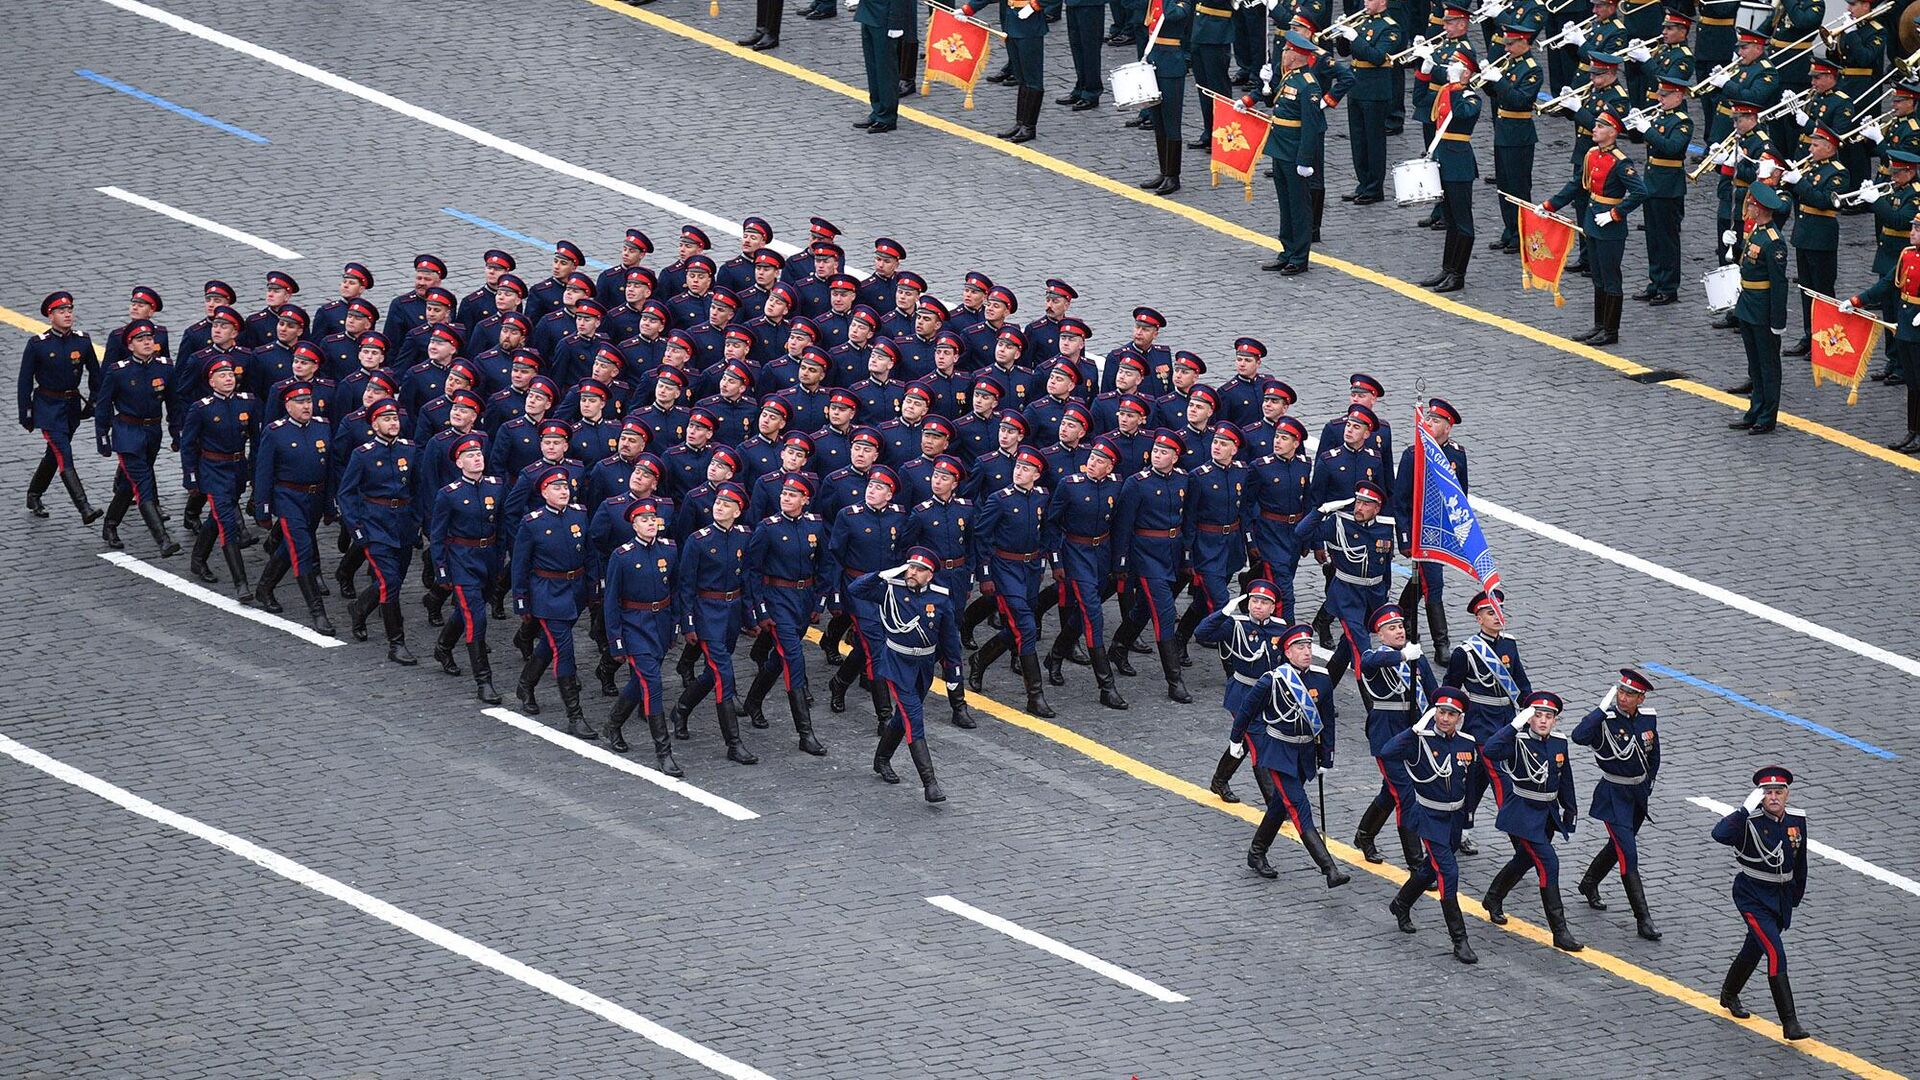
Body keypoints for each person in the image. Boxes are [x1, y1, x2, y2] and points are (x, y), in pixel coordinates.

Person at [1231, 622, 1350, 888]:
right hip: (1277, 753)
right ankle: (1329, 869)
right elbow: (1246, 712)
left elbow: (1327, 720)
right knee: (1299, 807)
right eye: (1300, 647)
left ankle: (1256, 851)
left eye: (1308, 646)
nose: (1306, 651)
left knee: (1279, 805)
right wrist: (1236, 740)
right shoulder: (1272, 680)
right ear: (1287, 652)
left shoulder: (1321, 678)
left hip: (1304, 753)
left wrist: (1326, 757)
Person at [846, 548, 967, 802]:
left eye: (920, 570)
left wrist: (954, 675)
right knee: (914, 717)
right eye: (910, 567)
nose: (912, 572)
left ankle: (881, 759)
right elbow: (856, 590)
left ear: (930, 575)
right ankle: (930, 783)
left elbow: (949, 641)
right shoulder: (892, 589)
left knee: (904, 715)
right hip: (896, 663)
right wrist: (881, 575)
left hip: (923, 664)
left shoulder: (941, 599)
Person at [1478, 690, 1584, 952]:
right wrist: (1514, 725)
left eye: (1549, 716)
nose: (1544, 721)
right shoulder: (1517, 739)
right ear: (1528, 718)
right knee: (1549, 864)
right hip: (1522, 814)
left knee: (1524, 859)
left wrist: (1570, 810)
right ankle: (1560, 931)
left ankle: (1493, 897)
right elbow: (1491, 751)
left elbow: (1565, 778)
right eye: (1538, 715)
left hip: (1546, 813)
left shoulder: (1559, 742)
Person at [1382, 685, 1480, 963]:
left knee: (1430, 868)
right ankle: (1460, 940)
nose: (1445, 718)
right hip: (1429, 817)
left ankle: (1401, 903)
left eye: (1451, 714)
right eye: (1441, 712)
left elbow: (1469, 784)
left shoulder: (1467, 743)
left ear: (1459, 717)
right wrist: (1414, 730)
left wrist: (1468, 817)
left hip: (1453, 818)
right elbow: (1388, 752)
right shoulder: (1420, 740)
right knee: (1448, 872)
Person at [1713, 766, 1811, 1040]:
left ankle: (1729, 993)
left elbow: (1800, 863)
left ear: (1787, 795)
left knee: (1754, 947)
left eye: (1779, 792)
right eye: (1768, 793)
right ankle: (1790, 1023)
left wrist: (1795, 897)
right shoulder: (1748, 821)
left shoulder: (1796, 820)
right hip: (1752, 896)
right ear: (1759, 796)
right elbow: (1719, 835)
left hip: (1780, 898)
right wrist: (1743, 810)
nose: (1774, 798)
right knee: (1775, 952)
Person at [742, 474, 832, 755]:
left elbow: (825, 565)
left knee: (779, 659)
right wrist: (760, 609)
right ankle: (806, 733)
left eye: (793, 495)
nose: (785, 498)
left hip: (803, 600)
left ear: (805, 500)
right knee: (794, 659)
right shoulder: (768, 528)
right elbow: (752, 571)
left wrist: (819, 602)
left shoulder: (815, 526)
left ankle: (753, 701)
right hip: (777, 598)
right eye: (783, 494)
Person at [668, 482, 758, 761]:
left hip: (731, 613)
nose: (718, 507)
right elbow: (686, 586)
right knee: (724, 675)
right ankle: (733, 743)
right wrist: (689, 623)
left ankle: (681, 708)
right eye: (717, 502)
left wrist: (750, 615)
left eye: (726, 504)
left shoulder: (745, 536)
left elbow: (747, 579)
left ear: (738, 511)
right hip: (707, 611)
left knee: (712, 672)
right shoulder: (699, 540)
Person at [1572, 666, 1662, 941]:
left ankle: (1589, 882)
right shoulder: (1605, 720)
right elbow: (1578, 736)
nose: (1623, 698)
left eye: (1631, 694)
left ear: (1641, 699)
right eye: (1621, 691)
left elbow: (1653, 755)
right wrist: (1600, 710)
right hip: (1613, 795)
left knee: (1619, 847)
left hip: (1636, 796)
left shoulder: (1648, 719)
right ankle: (1643, 918)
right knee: (1628, 855)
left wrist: (1647, 786)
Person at [1039, 438, 1128, 709]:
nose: (1092, 463)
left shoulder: (1116, 485)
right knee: (1093, 615)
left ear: (1110, 466)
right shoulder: (1070, 485)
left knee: (1084, 613)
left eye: (1100, 461)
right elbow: (1051, 524)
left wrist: (1118, 562)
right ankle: (1106, 685)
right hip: (1075, 552)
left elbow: (1118, 525)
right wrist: (1056, 561)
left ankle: (1055, 655)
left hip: (1101, 554)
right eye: (1091, 458)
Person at [1541, 110, 1644, 344]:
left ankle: (1611, 331)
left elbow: (1640, 192)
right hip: (1592, 221)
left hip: (1609, 227)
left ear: (1612, 132)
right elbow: (1577, 184)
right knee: (1597, 277)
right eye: (1595, 125)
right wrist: (1550, 205)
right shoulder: (1591, 155)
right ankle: (1599, 325)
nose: (1594, 129)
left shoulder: (1621, 162)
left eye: (1600, 126)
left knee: (1610, 278)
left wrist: (1615, 213)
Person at [968, 448, 1056, 717]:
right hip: (1005, 569)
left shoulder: (1042, 497)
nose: (1019, 472)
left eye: (1026, 469)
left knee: (1017, 628)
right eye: (1017, 467)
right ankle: (1035, 695)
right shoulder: (1000, 499)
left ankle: (980, 659)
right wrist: (985, 574)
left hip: (1029, 569)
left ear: (1037, 475)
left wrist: (1042, 561)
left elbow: (1046, 532)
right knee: (1027, 628)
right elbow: (981, 537)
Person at [511, 469, 597, 739]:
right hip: (548, 593)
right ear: (544, 492)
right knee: (564, 651)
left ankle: (526, 684)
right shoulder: (532, 522)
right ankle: (575, 715)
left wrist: (593, 586)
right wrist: (521, 599)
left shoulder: (579, 514)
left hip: (575, 590)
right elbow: (520, 564)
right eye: (556, 488)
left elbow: (590, 552)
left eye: (566, 487)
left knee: (551, 644)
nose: (563, 491)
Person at [1443, 587, 1528, 854]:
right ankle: (1521, 843)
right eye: (1490, 612)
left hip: (1506, 721)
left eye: (1499, 611)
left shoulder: (1509, 644)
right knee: (1502, 780)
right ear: (1478, 618)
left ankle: (1461, 829)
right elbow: (1451, 690)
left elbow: (1521, 684)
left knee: (1475, 780)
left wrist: (1534, 709)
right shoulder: (1465, 653)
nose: (1496, 617)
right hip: (1480, 724)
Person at [336, 399, 420, 664]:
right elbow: (346, 493)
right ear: (374, 424)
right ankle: (397, 643)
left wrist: (417, 521)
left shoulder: (410, 449)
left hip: (404, 523)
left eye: (395, 419)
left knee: (394, 579)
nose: (393, 423)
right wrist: (357, 529)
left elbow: (418, 489)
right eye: (386, 419)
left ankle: (359, 609)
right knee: (390, 581)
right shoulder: (364, 454)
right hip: (376, 525)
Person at [1110, 432, 1193, 703]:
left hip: (1172, 552)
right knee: (1164, 613)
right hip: (1146, 554)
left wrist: (1187, 554)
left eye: (1164, 452)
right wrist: (1121, 561)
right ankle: (1174, 679)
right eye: (1156, 450)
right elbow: (1123, 525)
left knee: (1145, 607)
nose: (1158, 455)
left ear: (1175, 457)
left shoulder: (1182, 479)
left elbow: (1187, 518)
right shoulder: (1137, 483)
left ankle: (1120, 646)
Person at [601, 500, 682, 775]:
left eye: (653, 520)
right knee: (653, 683)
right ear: (633, 525)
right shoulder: (622, 556)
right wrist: (616, 639)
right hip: (633, 625)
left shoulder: (669, 550)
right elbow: (611, 601)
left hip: (659, 624)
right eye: (643, 520)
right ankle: (664, 751)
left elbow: (676, 589)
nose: (650, 524)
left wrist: (674, 625)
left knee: (641, 681)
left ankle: (613, 723)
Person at [1351, 605, 1436, 865]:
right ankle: (1415, 860)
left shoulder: (1416, 657)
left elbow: (1432, 692)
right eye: (1392, 628)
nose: (1399, 631)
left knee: (1392, 791)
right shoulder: (1378, 659)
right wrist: (1402, 657)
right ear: (1380, 635)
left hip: (1415, 733)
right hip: (1387, 735)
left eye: (1400, 626)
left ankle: (1365, 834)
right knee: (1406, 797)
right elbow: (1368, 662)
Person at [1294, 480, 1394, 687]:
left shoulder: (1384, 528)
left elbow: (1385, 567)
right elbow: (1301, 532)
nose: (1359, 508)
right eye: (1358, 502)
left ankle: (1323, 689)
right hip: (1347, 596)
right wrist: (1321, 511)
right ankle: (1372, 703)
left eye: (1366, 504)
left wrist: (1383, 598)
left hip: (1373, 597)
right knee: (1361, 649)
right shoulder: (1339, 523)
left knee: (1346, 649)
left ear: (1377, 508)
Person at [430, 437, 507, 704]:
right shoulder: (448, 494)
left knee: (468, 610)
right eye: (470, 455)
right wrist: (441, 569)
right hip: (461, 560)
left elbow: (501, 526)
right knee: (477, 619)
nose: (476, 458)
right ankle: (484, 681)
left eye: (479, 454)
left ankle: (443, 646)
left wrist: (499, 560)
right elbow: (437, 535)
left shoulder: (496, 487)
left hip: (488, 559)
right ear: (459, 462)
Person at [95, 320, 180, 555]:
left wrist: (176, 432)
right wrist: (102, 435)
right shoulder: (118, 371)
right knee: (143, 484)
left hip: (153, 432)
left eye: (149, 339)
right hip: (127, 433)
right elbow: (103, 406)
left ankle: (110, 524)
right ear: (130, 345)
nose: (146, 343)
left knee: (127, 484)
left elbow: (173, 404)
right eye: (140, 340)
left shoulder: (165, 368)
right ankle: (163, 540)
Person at [1198, 580, 1288, 803]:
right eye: (1254, 601)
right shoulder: (1235, 625)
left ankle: (1219, 780)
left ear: (1272, 607)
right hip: (1243, 694)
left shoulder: (1280, 627)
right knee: (1259, 745)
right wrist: (1222, 613)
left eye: (1264, 602)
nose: (1258, 606)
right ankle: (1275, 803)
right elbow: (1201, 634)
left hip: (1269, 694)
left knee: (1245, 742)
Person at [252, 384, 332, 630]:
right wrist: (262, 507)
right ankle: (317, 612)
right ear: (287, 406)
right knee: (303, 550)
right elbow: (263, 473)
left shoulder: (323, 426)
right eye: (300, 402)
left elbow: (329, 469)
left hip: (315, 497)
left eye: (308, 401)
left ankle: (264, 588)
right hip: (289, 498)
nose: (306, 406)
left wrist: (330, 503)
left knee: (291, 546)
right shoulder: (276, 432)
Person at [18, 291, 102, 524]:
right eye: (61, 311)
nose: (67, 315)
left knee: (53, 454)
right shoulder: (38, 345)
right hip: (47, 408)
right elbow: (25, 381)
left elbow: (96, 376)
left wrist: (94, 401)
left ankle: (34, 495)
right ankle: (84, 507)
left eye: (69, 310)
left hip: (71, 407)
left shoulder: (82, 341)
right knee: (64, 455)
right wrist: (26, 413)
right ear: (50, 316)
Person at [179, 358, 259, 598]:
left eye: (230, 375)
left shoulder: (248, 403)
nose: (228, 379)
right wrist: (191, 477)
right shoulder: (201, 408)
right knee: (227, 524)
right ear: (211, 381)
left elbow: (256, 439)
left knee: (217, 515)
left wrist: (254, 471)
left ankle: (198, 558)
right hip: (213, 470)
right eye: (222, 376)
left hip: (237, 469)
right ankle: (241, 583)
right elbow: (188, 445)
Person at [1392, 397, 1465, 652]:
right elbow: (1400, 500)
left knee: (1422, 582)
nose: (1430, 424)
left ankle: (1401, 618)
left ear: (1448, 426)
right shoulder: (1414, 455)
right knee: (1433, 584)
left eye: (1436, 421)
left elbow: (1460, 495)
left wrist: (1458, 533)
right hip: (1419, 530)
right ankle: (1441, 643)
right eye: (1429, 419)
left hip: (1442, 531)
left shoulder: (1457, 454)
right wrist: (1404, 537)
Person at [1257, 33, 1330, 272]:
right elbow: (1278, 107)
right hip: (1281, 147)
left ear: (1297, 56)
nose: (1283, 54)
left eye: (1287, 51)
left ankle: (1299, 257)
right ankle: (1287, 250)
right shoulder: (1289, 77)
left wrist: (1305, 159)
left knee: (1299, 206)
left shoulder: (1308, 84)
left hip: (1295, 151)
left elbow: (1311, 126)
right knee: (1286, 204)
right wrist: (1266, 88)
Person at [1849, 206, 1920, 450]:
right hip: (1906, 325)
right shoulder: (1907, 255)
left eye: (1917, 229)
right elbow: (1889, 283)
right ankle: (1913, 430)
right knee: (1913, 382)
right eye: (1912, 227)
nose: (1912, 232)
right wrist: (1858, 300)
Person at [1728, 183, 1791, 434]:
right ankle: (1754, 410)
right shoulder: (1756, 231)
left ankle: (1767, 416)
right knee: (1755, 365)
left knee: (1768, 365)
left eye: (1752, 204)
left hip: (1763, 308)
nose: (1749, 207)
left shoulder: (1774, 242)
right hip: (1748, 304)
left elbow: (1779, 284)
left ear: (1761, 208)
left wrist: (1778, 320)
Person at [1330, 0, 1405, 207]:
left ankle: (1374, 188)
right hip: (1356, 86)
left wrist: (1355, 38)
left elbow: (1377, 57)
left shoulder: (1390, 27)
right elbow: (1345, 53)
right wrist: (1342, 34)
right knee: (1358, 140)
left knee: (1374, 141)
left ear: (1382, 2)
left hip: (1374, 90)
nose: (1365, 2)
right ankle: (1363, 184)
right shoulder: (1361, 21)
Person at [1627, 75, 1693, 306]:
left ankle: (1669, 287)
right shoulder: (1660, 116)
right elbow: (1639, 139)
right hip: (1652, 182)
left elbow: (1672, 148)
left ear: (1678, 96)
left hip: (1668, 186)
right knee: (1653, 238)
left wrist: (1648, 130)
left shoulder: (1683, 121)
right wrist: (1636, 123)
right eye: (1660, 95)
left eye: (1665, 96)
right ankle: (1655, 282)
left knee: (1667, 240)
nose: (1660, 99)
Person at [1482, 22, 1543, 255]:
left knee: (1518, 188)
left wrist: (1500, 81)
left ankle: (1522, 235)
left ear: (1523, 43)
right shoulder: (1510, 63)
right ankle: (1509, 231)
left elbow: (1520, 101)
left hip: (1519, 132)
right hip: (1503, 130)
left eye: (1510, 43)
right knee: (1504, 186)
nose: (1506, 48)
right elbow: (1496, 93)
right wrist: (1489, 80)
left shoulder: (1533, 69)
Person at [960, 0, 1049, 143]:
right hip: (1012, 21)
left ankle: (1029, 127)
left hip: (1030, 25)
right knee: (1022, 78)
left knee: (1032, 78)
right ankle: (1020, 122)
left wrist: (1034, 6)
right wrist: (969, 9)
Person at [1135, 0, 1195, 194]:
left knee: (1171, 121)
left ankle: (1173, 175)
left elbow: (1172, 16)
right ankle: (1164, 171)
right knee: (1158, 119)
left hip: (1172, 61)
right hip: (1154, 57)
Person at [853, 0, 911, 132]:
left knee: (885, 70)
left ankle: (887, 116)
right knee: (873, 69)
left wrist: (896, 22)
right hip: (869, 12)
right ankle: (878, 110)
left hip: (885, 17)